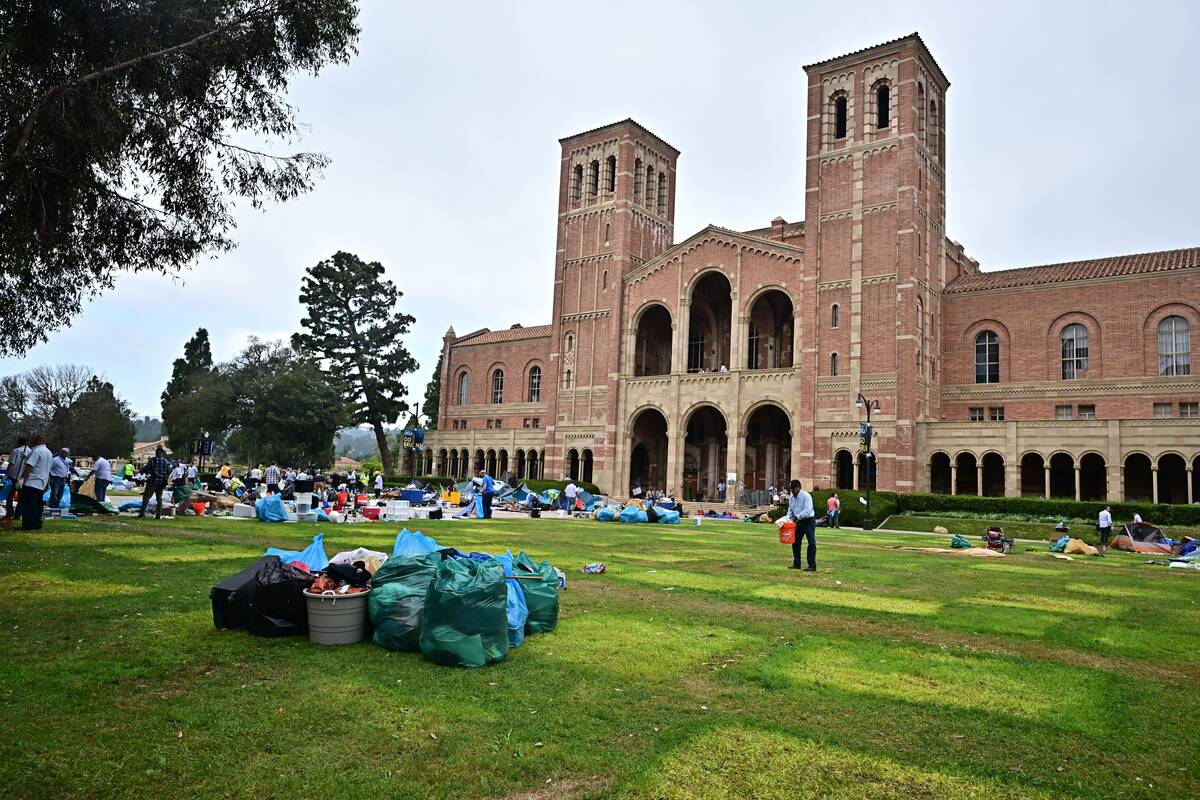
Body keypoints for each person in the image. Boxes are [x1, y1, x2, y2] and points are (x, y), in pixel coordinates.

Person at [19, 434, 52, 530]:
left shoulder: (36, 451)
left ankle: (28, 525)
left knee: (29, 505)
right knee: (38, 505)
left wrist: (22, 479)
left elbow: (29, 466)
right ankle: (37, 524)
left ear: (37, 440)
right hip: (42, 482)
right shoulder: (48, 452)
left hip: (31, 481)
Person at [785, 479, 817, 571]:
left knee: (811, 542)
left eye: (793, 489)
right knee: (795, 542)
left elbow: (808, 510)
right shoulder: (791, 498)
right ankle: (796, 563)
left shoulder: (806, 496)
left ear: (798, 488)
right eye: (791, 489)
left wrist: (797, 517)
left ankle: (812, 565)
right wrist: (787, 519)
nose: (792, 491)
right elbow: (790, 510)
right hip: (798, 521)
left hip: (808, 521)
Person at [138, 446, 173, 519]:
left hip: (153, 481)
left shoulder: (153, 460)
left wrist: (141, 470)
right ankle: (158, 515)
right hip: (161, 482)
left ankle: (142, 514)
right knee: (159, 499)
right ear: (162, 453)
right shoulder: (166, 461)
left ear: (156, 453)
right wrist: (164, 476)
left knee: (146, 497)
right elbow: (169, 471)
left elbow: (146, 468)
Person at [5, 436, 31, 524]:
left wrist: (6, 475)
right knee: (21, 497)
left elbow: (11, 464)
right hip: (24, 477)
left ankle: (9, 513)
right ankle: (18, 514)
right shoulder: (31, 452)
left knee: (10, 496)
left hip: (14, 477)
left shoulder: (15, 451)